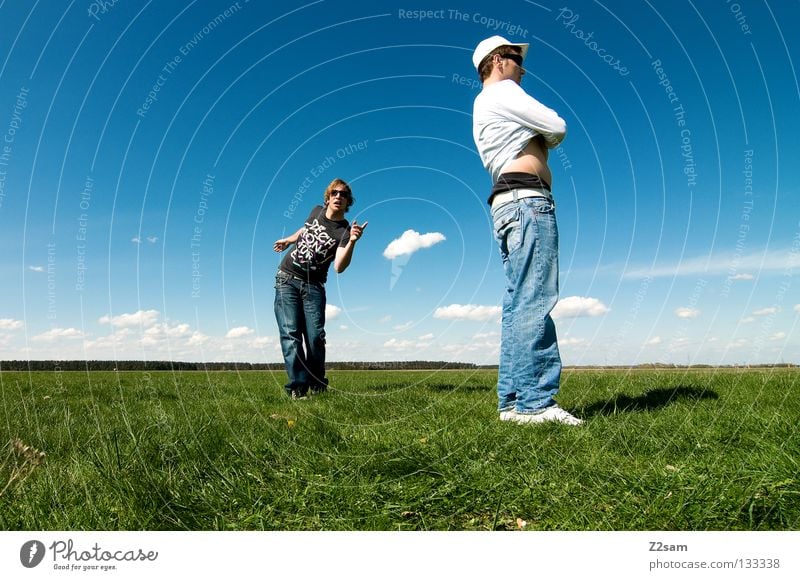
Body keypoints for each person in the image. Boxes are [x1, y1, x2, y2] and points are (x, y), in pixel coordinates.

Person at [471, 35, 582, 425]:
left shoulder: (486, 102)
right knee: (534, 298)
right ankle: (537, 402)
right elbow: (557, 125)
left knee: (518, 303)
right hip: (526, 202)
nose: (523, 67)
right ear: (498, 60)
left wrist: (534, 136)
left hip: (508, 205)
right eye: (517, 59)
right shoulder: (502, 92)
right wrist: (541, 137)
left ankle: (514, 401)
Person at [273, 178, 367, 399]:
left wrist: (353, 241)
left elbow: (339, 267)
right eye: (334, 193)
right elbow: (305, 230)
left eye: (343, 194)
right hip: (286, 278)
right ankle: (298, 387)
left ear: (348, 202)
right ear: (327, 198)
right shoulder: (315, 211)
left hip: (313, 286)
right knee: (290, 334)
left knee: (315, 338)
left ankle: (317, 384)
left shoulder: (344, 231)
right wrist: (288, 240)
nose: (338, 197)